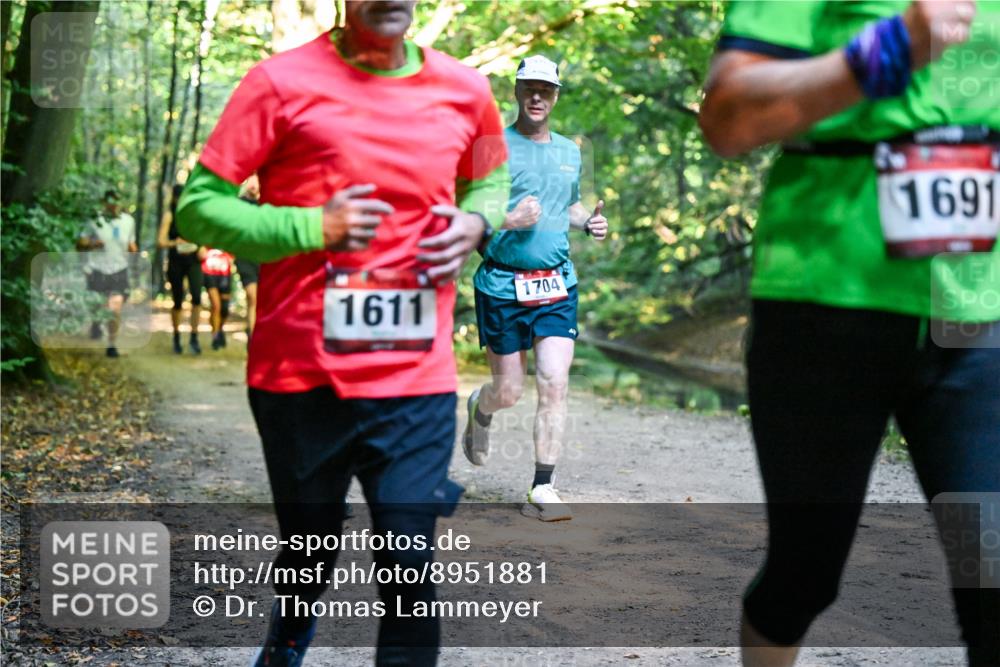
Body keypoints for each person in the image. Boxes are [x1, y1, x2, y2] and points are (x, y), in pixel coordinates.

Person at [175, 1, 508, 665]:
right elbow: (198, 206)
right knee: (309, 546)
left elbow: (492, 179)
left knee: (409, 557)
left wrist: (477, 224)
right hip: (301, 376)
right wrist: (308, 227)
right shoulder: (279, 83)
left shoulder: (467, 89)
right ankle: (286, 645)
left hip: (415, 378)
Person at [699, 2, 999, 666]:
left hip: (979, 310)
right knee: (805, 572)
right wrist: (889, 48)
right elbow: (728, 118)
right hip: (825, 297)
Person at [462, 55, 608, 522]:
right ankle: (480, 409)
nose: (538, 96)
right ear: (517, 91)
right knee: (509, 391)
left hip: (556, 285)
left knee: (555, 381)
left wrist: (589, 221)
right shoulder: (490, 148)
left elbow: (565, 206)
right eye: (530, 87)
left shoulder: (569, 151)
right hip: (503, 285)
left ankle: (543, 486)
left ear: (557, 95)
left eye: (547, 88)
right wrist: (507, 218)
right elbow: (467, 213)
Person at [76, 189, 138, 358]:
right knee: (98, 305)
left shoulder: (128, 221)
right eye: (110, 200)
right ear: (104, 201)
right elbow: (80, 243)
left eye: (117, 200)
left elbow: (132, 244)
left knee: (114, 308)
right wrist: (92, 244)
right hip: (97, 269)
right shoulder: (95, 219)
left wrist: (134, 252)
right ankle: (96, 322)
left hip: (119, 270)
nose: (114, 204)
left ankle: (111, 344)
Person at [157, 183, 204, 355]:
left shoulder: (194, 214)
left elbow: (203, 235)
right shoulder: (170, 215)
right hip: (176, 261)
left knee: (197, 298)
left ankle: (194, 337)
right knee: (178, 300)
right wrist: (174, 243)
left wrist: (201, 247)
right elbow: (161, 241)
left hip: (193, 261)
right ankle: (176, 336)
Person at [235, 175, 261, 341]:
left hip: (264, 256)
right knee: (253, 296)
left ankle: (255, 334)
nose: (253, 183)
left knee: (259, 301)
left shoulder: (268, 203)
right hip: (244, 255)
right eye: (250, 179)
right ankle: (252, 340)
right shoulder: (239, 203)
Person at [198, 246, 234, 350]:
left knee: (224, 309)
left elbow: (233, 256)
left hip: (224, 275)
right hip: (209, 274)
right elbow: (200, 255)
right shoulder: (207, 239)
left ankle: (219, 328)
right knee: (216, 306)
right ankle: (215, 336)